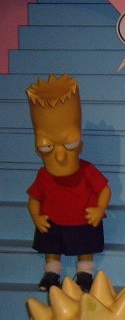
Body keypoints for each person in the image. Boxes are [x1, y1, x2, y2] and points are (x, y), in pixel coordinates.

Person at [26, 74, 111, 293]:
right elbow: (34, 199)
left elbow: (104, 190)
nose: (60, 156)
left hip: (83, 220)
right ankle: (51, 273)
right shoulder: (43, 175)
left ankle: (85, 274)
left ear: (81, 146)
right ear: (39, 150)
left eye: (70, 144)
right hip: (53, 221)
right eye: (47, 147)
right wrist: (37, 217)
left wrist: (99, 209)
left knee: (85, 246)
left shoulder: (87, 170)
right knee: (51, 246)